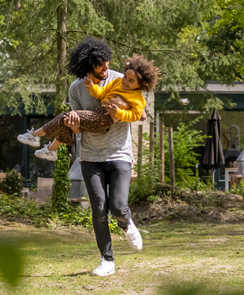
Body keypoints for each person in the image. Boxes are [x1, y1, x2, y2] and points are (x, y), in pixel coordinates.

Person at [54, 37, 144, 276]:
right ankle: (107, 260)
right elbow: (77, 128)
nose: (106, 67)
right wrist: (73, 125)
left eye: (106, 62)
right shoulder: (75, 88)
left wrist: (118, 112)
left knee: (117, 206)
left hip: (119, 155)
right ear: (88, 65)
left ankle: (126, 223)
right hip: (90, 157)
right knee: (99, 209)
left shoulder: (121, 79)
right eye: (100, 65)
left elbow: (139, 112)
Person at [17, 54, 158, 161]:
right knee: (67, 122)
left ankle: (35, 136)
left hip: (104, 120)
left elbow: (136, 115)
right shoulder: (117, 82)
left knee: (65, 116)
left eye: (130, 80)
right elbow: (102, 94)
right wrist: (92, 87)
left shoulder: (138, 98)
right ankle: (51, 150)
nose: (125, 81)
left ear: (140, 84)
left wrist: (119, 111)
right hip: (97, 115)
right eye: (126, 77)